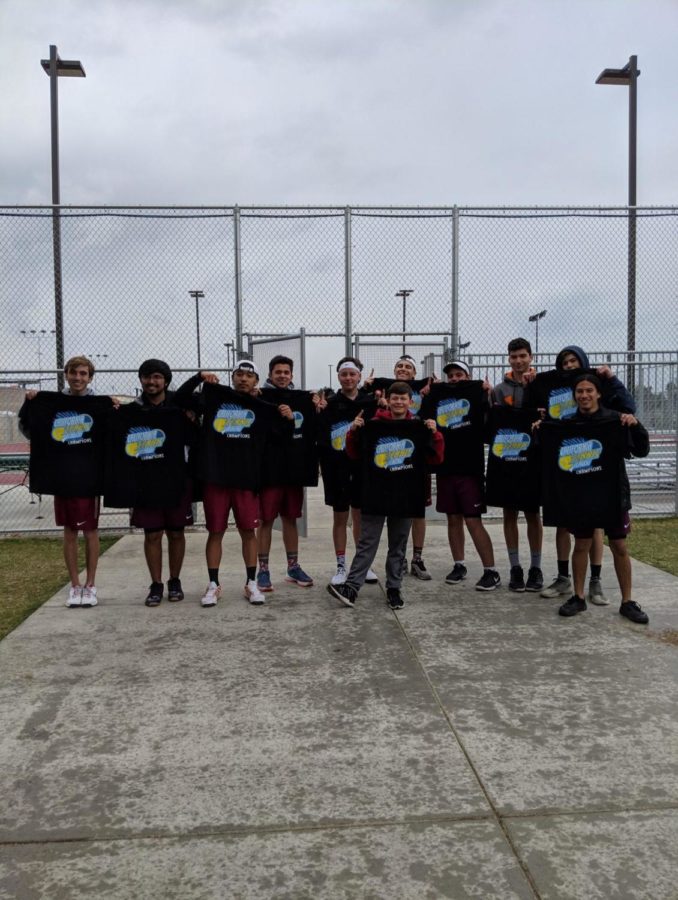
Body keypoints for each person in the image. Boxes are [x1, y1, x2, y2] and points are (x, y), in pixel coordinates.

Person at [175, 360, 289, 608]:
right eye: (239, 374)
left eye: (249, 375)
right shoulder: (214, 397)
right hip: (215, 478)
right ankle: (213, 584)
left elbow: (283, 436)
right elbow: (181, 398)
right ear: (233, 377)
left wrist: (288, 418)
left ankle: (251, 582)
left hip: (246, 480)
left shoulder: (262, 408)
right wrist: (198, 377)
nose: (243, 379)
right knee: (216, 532)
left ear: (256, 381)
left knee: (248, 532)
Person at [537, 373, 649, 623]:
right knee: (582, 544)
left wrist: (635, 425)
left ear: (598, 393)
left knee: (619, 545)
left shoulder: (614, 420)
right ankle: (578, 597)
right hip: (581, 495)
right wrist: (540, 430)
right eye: (579, 391)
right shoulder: (566, 424)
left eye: (589, 391)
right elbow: (544, 449)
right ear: (574, 396)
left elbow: (641, 450)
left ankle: (627, 602)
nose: (584, 395)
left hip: (612, 494)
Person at [326, 380, 444, 610]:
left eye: (403, 398)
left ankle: (394, 588)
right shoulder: (373, 425)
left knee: (398, 545)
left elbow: (436, 459)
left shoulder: (419, 426)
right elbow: (352, 453)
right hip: (375, 493)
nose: (398, 402)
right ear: (387, 401)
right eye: (394, 398)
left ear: (411, 402)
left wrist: (436, 434)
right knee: (367, 542)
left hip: (406, 495)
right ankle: (351, 587)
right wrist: (353, 431)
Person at [18, 356, 107, 608]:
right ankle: (74, 585)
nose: (77, 378)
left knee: (90, 531)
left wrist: (113, 408)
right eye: (73, 373)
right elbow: (29, 428)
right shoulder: (51, 404)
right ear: (66, 375)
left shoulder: (98, 405)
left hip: (89, 479)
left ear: (90, 377)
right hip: (61, 477)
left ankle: (90, 585)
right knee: (69, 531)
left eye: (83, 373)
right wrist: (31, 403)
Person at [131, 359, 194, 607]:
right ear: (141, 380)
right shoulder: (133, 410)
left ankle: (174, 581)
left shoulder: (181, 407)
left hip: (177, 477)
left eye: (157, 377)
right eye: (147, 377)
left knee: (176, 532)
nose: (151, 381)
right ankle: (156, 584)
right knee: (153, 534)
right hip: (146, 480)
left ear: (166, 381)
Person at [365, 354, 434, 580]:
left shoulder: (427, 390)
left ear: (415, 373)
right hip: (391, 459)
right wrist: (368, 389)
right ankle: (400, 558)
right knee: (394, 511)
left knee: (417, 510)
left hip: (415, 459)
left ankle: (417, 558)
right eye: (399, 366)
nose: (403, 369)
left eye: (408, 367)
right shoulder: (385, 394)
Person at [433, 361, 501, 591]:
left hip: (470, 468)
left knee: (473, 520)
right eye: (450, 375)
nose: (454, 379)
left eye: (459, 374)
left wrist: (487, 394)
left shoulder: (478, 393)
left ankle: (491, 570)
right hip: (445, 467)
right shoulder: (437, 396)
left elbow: (490, 419)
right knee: (453, 518)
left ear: (468, 376)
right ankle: (459, 564)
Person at [257, 355, 319, 591]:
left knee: (290, 519)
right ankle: (262, 570)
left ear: (292, 375)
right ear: (270, 374)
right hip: (269, 471)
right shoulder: (260, 398)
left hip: (294, 470)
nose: (282, 375)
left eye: (286, 372)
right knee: (265, 520)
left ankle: (292, 567)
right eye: (278, 372)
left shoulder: (303, 399)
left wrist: (317, 405)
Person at [318, 357, 378, 586]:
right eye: (344, 374)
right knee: (340, 516)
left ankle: (362, 564)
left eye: (352, 374)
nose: (348, 378)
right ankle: (341, 565)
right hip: (337, 468)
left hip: (362, 468)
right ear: (338, 377)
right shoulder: (329, 404)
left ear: (359, 376)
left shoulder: (370, 402)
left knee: (360, 516)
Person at [490, 337, 543, 592]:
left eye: (523, 356)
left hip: (533, 460)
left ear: (531, 357)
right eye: (514, 357)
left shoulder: (540, 386)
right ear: (509, 359)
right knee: (509, 513)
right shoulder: (498, 391)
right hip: (507, 461)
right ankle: (515, 567)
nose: (519, 361)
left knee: (533, 514)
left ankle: (536, 567)